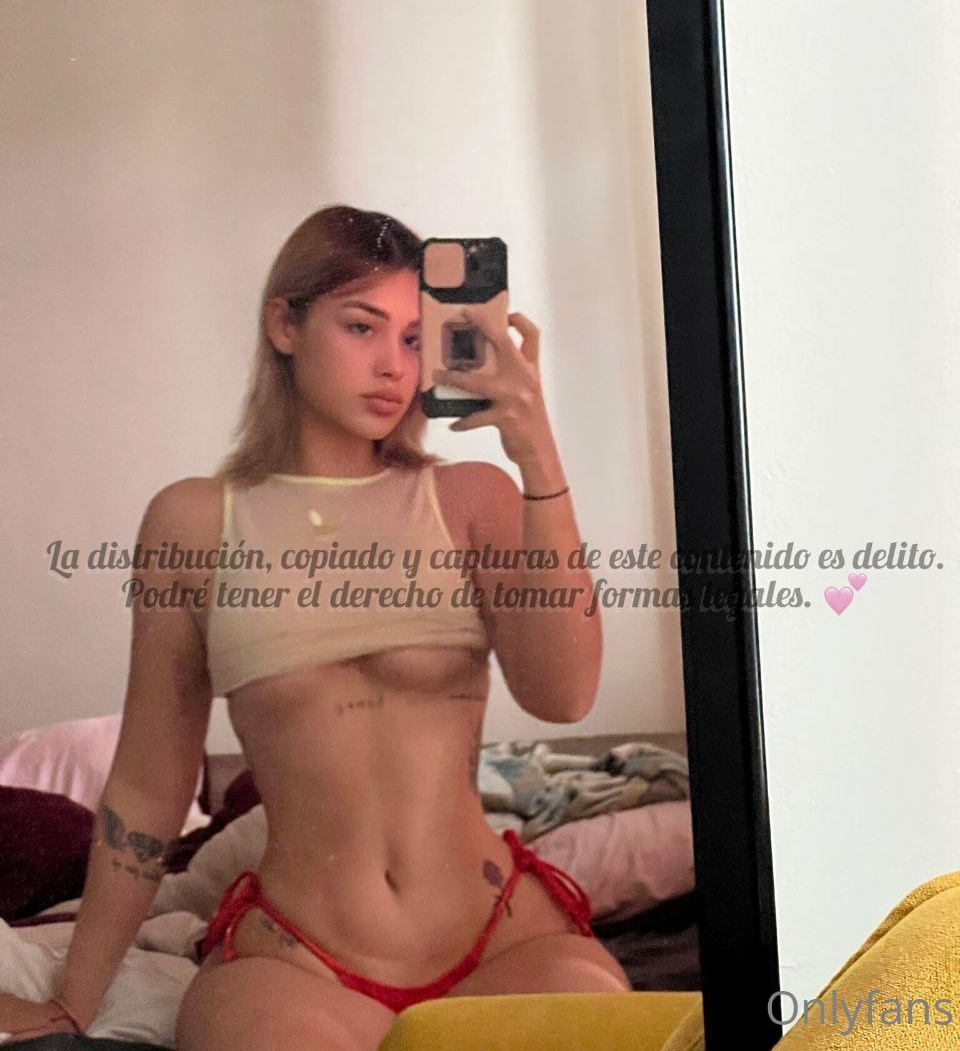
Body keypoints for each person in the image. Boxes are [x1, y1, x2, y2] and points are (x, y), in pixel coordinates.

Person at [0, 206, 630, 1049]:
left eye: (415, 337)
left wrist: (537, 454)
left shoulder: (470, 500)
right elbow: (150, 783)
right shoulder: (195, 523)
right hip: (302, 962)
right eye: (362, 327)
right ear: (284, 324)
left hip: (501, 939)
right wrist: (75, 999)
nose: (393, 364)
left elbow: (564, 697)